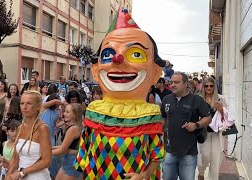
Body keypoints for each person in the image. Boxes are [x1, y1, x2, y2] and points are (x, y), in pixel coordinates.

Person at [75, 7, 165, 179]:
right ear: (96, 70)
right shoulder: (94, 110)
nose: (118, 60)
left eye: (136, 54)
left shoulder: (150, 113)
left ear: (155, 72)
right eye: (108, 54)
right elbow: (85, 151)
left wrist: (144, 175)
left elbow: (157, 155)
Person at [161, 72, 212, 180]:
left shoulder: (196, 100)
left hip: (188, 153)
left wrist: (196, 125)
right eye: (171, 82)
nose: (173, 85)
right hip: (169, 152)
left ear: (185, 84)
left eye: (176, 82)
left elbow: (208, 118)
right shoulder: (166, 100)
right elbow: (163, 119)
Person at [6, 90, 51, 180]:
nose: (24, 107)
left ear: (38, 106)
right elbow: (16, 157)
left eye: (29, 103)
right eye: (22, 103)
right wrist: (8, 174)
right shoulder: (20, 127)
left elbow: (46, 161)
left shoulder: (42, 128)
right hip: (21, 176)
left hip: (38, 177)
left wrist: (22, 172)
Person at [198, 77, 227, 180]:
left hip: (216, 134)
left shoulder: (220, 99)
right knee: (203, 158)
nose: (209, 88)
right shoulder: (199, 99)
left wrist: (220, 109)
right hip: (203, 134)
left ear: (214, 86)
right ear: (203, 87)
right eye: (206, 86)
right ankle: (201, 174)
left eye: (211, 85)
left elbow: (227, 118)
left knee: (216, 161)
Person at [52, 103, 82, 180]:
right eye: (65, 111)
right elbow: (64, 146)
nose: (64, 114)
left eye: (67, 112)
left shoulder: (73, 129)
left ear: (74, 114)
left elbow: (62, 150)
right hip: (67, 161)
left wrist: (44, 153)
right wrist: (50, 147)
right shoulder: (72, 127)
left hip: (71, 162)